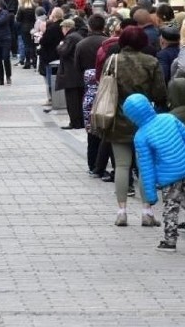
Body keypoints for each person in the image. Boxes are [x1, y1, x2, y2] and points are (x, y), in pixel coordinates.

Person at [124, 94, 185, 253]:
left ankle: (170, 241)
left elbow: (146, 166)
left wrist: (150, 195)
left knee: (171, 208)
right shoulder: (169, 118)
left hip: (168, 178)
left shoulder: (141, 136)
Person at [100, 26, 167, 227]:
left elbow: (103, 85)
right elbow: (160, 94)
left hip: (117, 119)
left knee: (121, 165)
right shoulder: (151, 62)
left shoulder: (112, 61)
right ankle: (147, 212)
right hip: (144, 121)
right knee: (145, 167)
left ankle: (121, 211)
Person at [74, 14, 108, 171]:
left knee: (91, 129)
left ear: (89, 26)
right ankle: (104, 163)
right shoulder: (108, 43)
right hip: (107, 89)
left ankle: (92, 163)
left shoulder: (82, 44)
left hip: (89, 89)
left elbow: (77, 66)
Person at [55, 17, 86, 129]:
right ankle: (80, 122)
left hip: (71, 73)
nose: (62, 30)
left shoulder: (70, 37)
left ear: (66, 27)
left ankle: (75, 122)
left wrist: (59, 45)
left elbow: (62, 51)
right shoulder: (77, 36)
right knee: (79, 99)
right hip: (78, 73)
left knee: (72, 100)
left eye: (62, 28)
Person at [38, 8, 65, 108]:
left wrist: (40, 38)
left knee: (49, 79)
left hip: (50, 56)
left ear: (53, 16)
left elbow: (44, 41)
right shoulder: (62, 26)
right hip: (60, 55)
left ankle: (51, 98)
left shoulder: (52, 28)